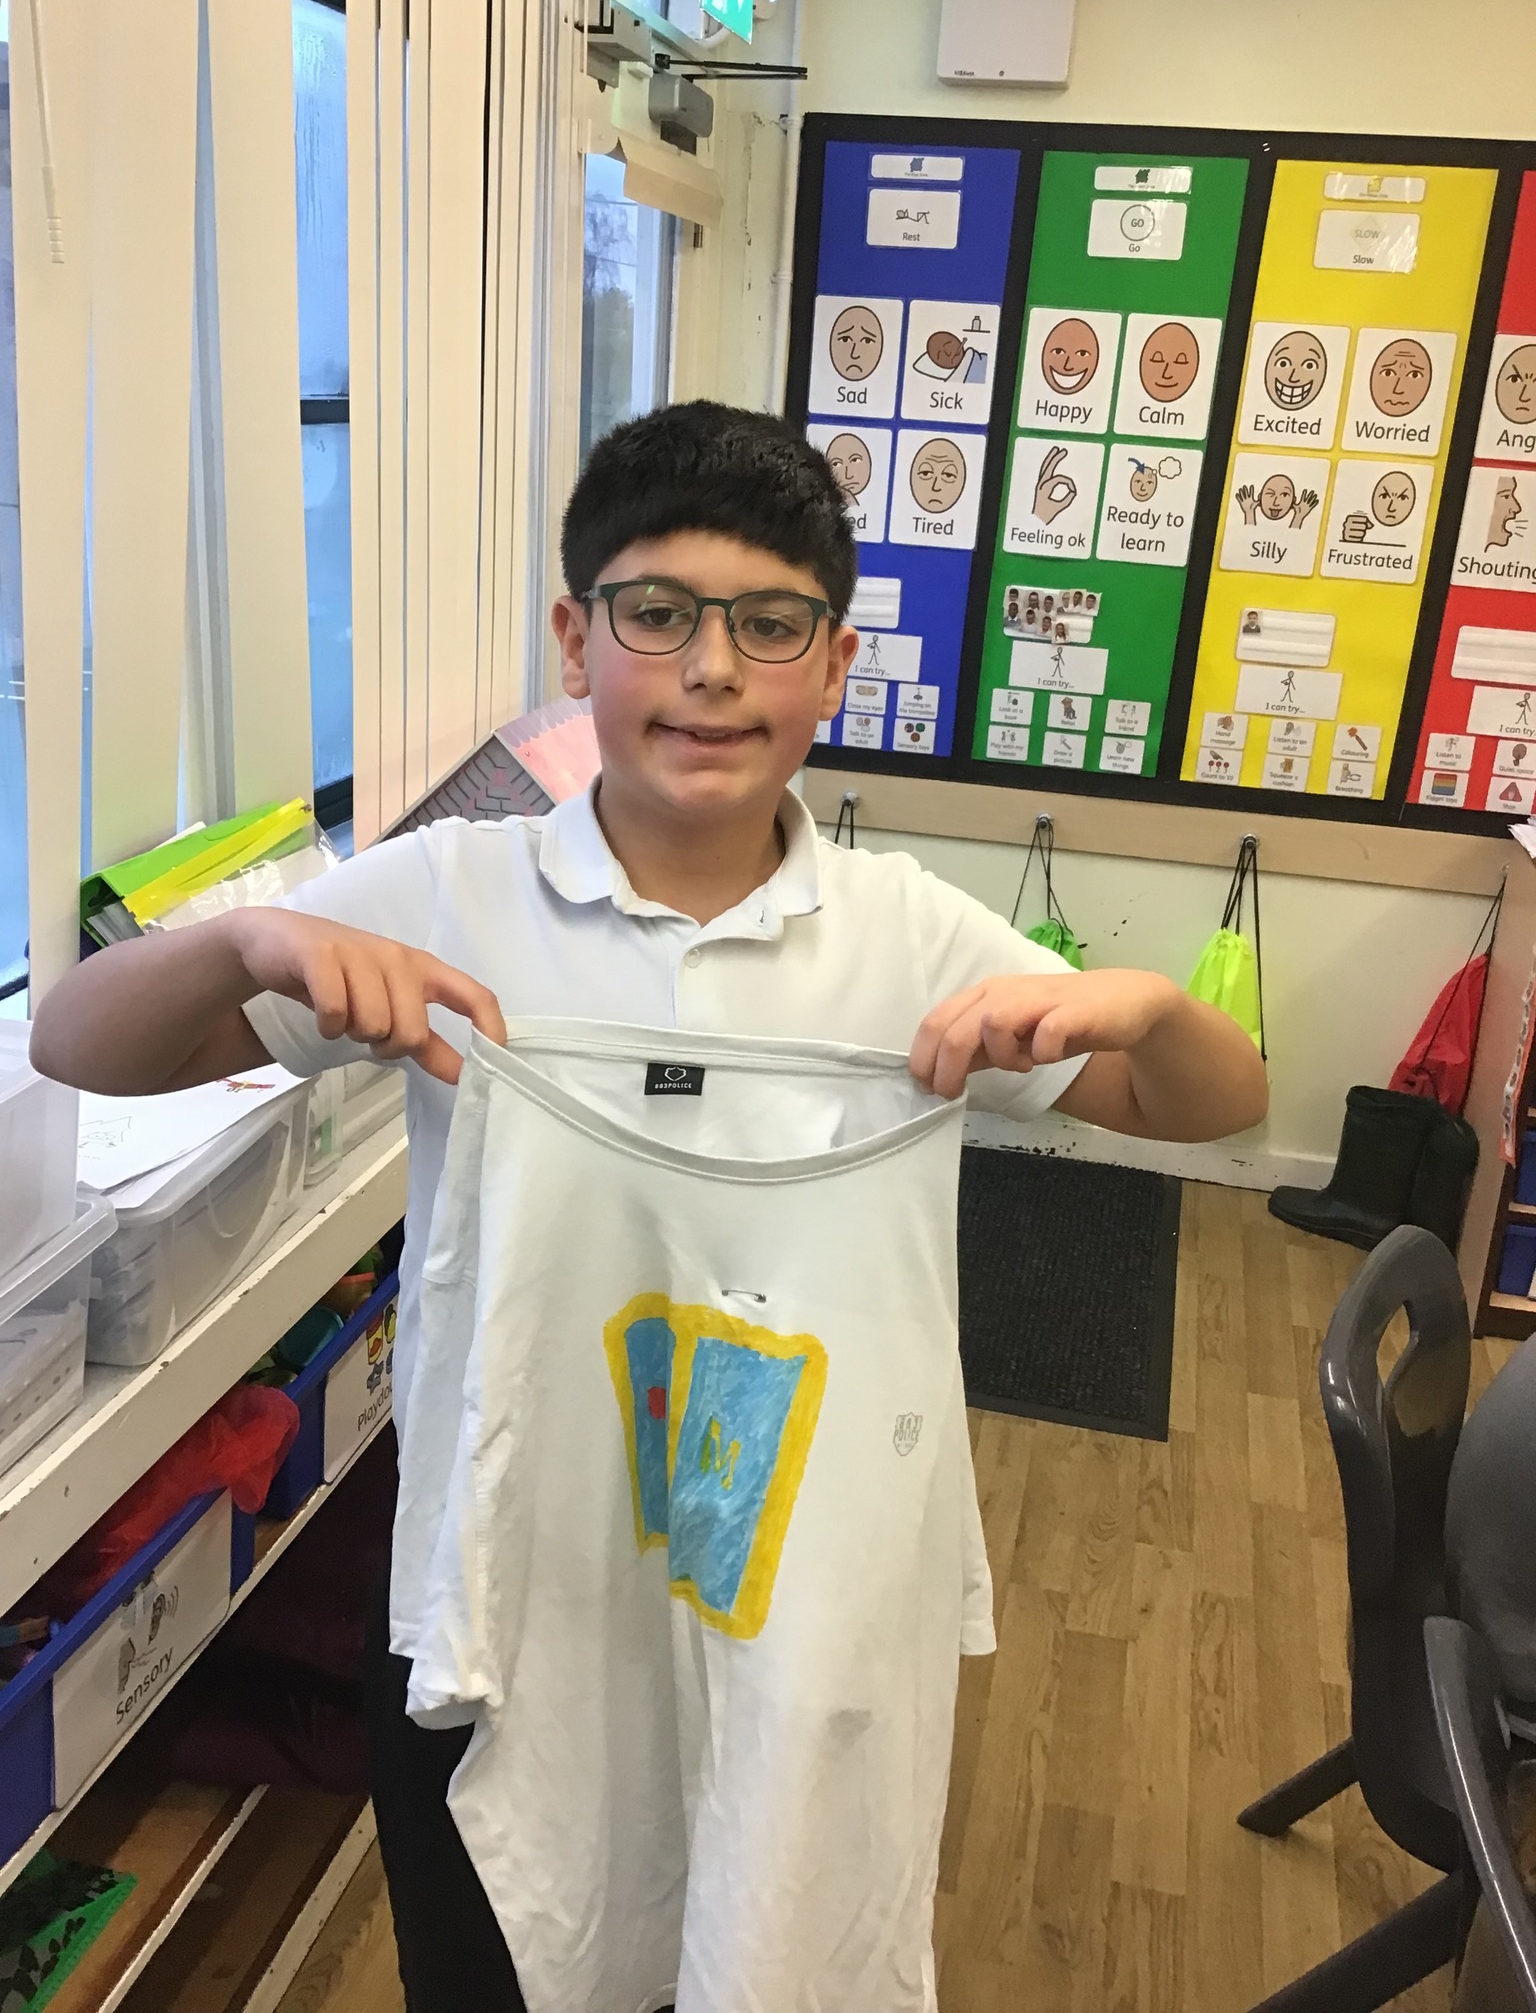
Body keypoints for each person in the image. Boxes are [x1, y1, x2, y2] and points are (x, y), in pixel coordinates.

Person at [30, 401, 1268, 2011]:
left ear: (835, 665)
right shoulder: (450, 896)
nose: (713, 670)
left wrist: (1148, 1012)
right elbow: (78, 1045)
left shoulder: (907, 936)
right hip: (501, 1599)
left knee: (760, 1941)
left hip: (802, 1603)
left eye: (772, 626)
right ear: (577, 640)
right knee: (495, 1961)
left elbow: (1212, 1105)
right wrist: (244, 947)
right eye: (659, 614)